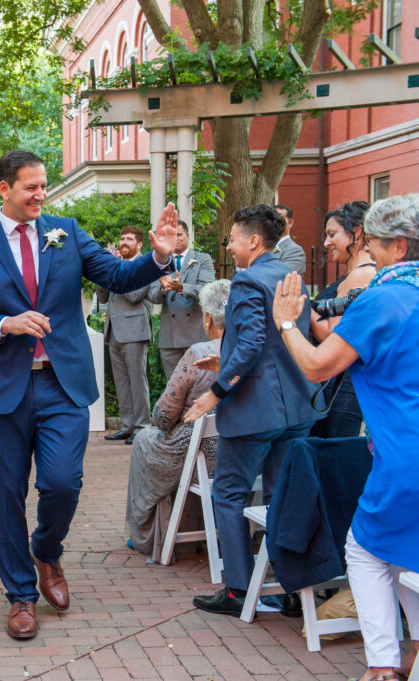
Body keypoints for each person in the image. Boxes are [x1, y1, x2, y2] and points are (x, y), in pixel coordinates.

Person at [0, 150, 177, 639]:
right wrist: (3, 322)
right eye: (30, 187)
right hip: (1, 388)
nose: (40, 194)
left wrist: (157, 257)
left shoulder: (66, 231)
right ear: (4, 189)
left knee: (63, 481)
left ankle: (47, 550)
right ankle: (21, 596)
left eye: (44, 185)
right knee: (5, 494)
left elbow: (115, 277)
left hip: (61, 383)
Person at [272, 193, 419, 681]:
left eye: (374, 244)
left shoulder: (384, 298)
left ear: (399, 247)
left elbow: (318, 366)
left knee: (366, 552)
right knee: (407, 556)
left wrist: (288, 323)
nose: (368, 252)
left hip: (404, 455)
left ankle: (382, 666)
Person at [184, 204, 318, 616]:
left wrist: (216, 392)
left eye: (233, 238)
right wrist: (223, 361)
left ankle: (239, 589)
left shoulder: (246, 282)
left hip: (254, 410)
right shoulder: (293, 279)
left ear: (254, 240)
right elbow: (284, 344)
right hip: (295, 407)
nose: (229, 245)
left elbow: (250, 345)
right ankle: (288, 588)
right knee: (280, 496)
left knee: (228, 494)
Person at [126, 279, 229, 562]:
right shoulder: (255, 352)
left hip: (200, 455)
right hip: (240, 454)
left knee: (145, 440)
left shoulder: (199, 353)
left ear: (207, 318)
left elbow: (162, 416)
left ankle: (147, 536)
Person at [308, 201, 375, 438]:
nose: (326, 243)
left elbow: (333, 336)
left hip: (344, 387)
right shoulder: (357, 273)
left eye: (332, 234)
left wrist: (302, 307)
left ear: (356, 233)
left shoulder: (361, 275)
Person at [97, 226, 153, 444]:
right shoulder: (115, 265)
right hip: (114, 331)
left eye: (129, 239)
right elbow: (102, 297)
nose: (124, 242)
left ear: (139, 244)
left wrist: (118, 270)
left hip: (135, 331)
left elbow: (135, 295)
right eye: (122, 238)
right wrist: (104, 271)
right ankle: (127, 425)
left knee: (138, 382)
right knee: (121, 382)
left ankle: (143, 426)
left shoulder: (144, 266)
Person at [147, 219, 216, 379]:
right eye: (172, 236)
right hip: (169, 337)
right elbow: (152, 296)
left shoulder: (202, 259)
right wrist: (164, 288)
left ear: (188, 235)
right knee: (173, 388)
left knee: (198, 385)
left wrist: (182, 287)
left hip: (195, 334)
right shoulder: (160, 262)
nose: (176, 239)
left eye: (179, 235)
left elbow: (207, 289)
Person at [274, 204, 306, 276]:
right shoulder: (263, 246)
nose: (274, 222)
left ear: (290, 223)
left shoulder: (295, 251)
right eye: (271, 219)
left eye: (279, 218)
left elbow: (279, 277)